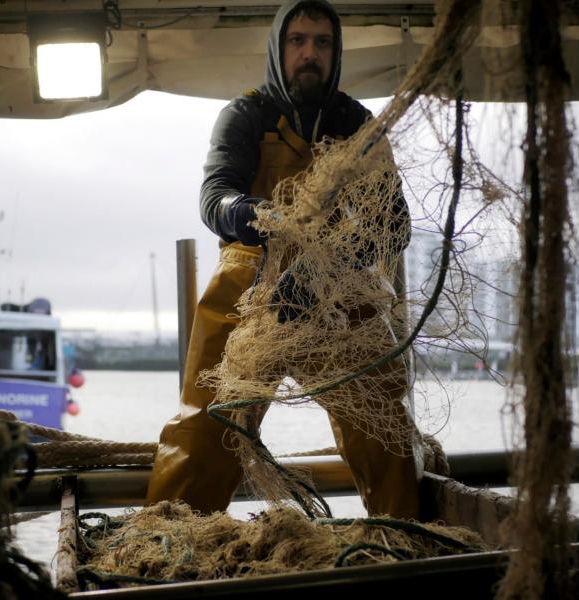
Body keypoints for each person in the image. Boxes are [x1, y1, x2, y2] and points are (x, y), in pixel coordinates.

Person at [146, 0, 422, 519]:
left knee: (382, 424)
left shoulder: (358, 124)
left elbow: (393, 223)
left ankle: (408, 536)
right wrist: (256, 215)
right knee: (207, 427)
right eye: (298, 41)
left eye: (321, 42)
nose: (309, 53)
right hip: (250, 294)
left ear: (335, 53)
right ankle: (169, 541)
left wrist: (321, 267)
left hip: (339, 295)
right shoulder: (243, 115)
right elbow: (215, 199)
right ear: (279, 49)